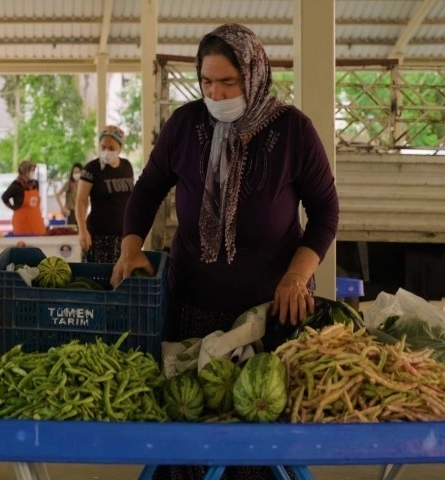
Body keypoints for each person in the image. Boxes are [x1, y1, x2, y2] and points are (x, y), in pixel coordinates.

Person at [110, 24, 339, 480]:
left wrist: (296, 277)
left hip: (269, 314)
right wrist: (130, 247)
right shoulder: (186, 124)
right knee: (191, 425)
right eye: (206, 82)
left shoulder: (293, 130)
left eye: (228, 82)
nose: (216, 93)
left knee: (260, 427)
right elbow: (147, 190)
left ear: (253, 75)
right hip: (193, 306)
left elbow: (326, 212)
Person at [76, 125, 135, 263]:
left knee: (120, 278)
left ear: (120, 147)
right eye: (103, 147)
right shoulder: (91, 169)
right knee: (95, 280)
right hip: (97, 236)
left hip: (122, 235)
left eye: (111, 148)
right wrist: (82, 230)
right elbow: (81, 201)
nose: (106, 151)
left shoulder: (127, 166)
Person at [1, 160, 46, 235]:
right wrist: (13, 207)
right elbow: (4, 197)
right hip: (22, 224)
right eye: (30, 171)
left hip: (36, 222)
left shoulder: (35, 184)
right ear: (24, 171)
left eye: (33, 171)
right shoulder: (16, 185)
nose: (32, 173)